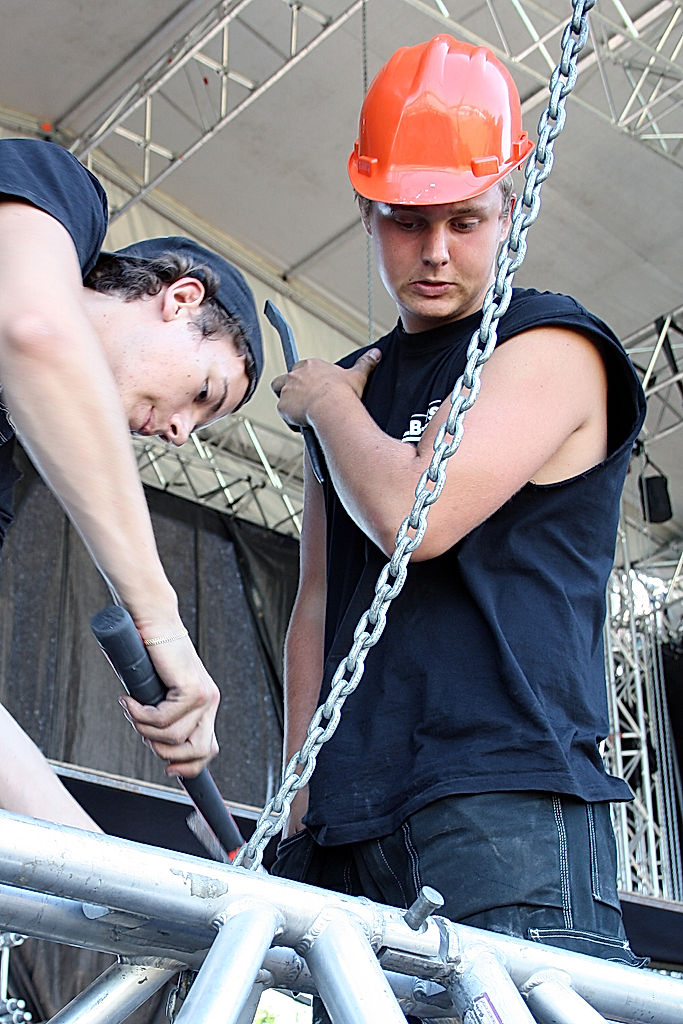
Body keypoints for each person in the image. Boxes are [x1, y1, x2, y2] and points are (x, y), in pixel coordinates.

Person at [270, 31, 647, 1000]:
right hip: (354, 818)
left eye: (463, 220)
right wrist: (297, 806)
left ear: (509, 208)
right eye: (405, 219)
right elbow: (316, 603)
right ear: (366, 208)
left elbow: (412, 517)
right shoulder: (361, 384)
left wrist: (322, 403)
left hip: (502, 798)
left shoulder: (547, 340)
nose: (434, 250)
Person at [0, 136, 263, 825]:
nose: (182, 431)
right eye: (205, 392)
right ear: (179, 298)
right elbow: (33, 329)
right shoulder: (60, 195)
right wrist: (162, 623)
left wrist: (97, 874)